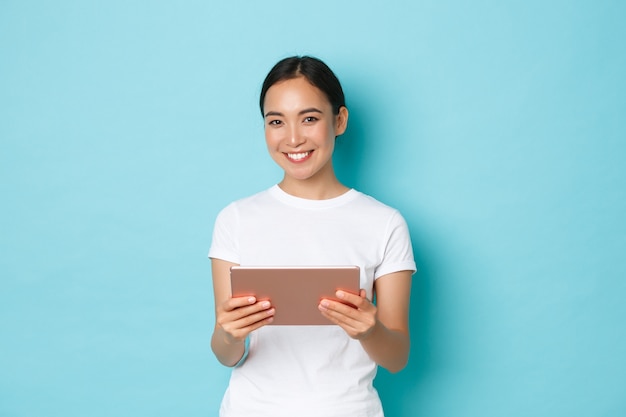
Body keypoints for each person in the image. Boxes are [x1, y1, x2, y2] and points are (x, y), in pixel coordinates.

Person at [208, 55, 416, 417]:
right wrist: (230, 334)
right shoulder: (236, 219)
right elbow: (227, 354)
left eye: (309, 118)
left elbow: (397, 356)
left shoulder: (384, 223)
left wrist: (369, 330)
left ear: (339, 120)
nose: (292, 138)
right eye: (276, 121)